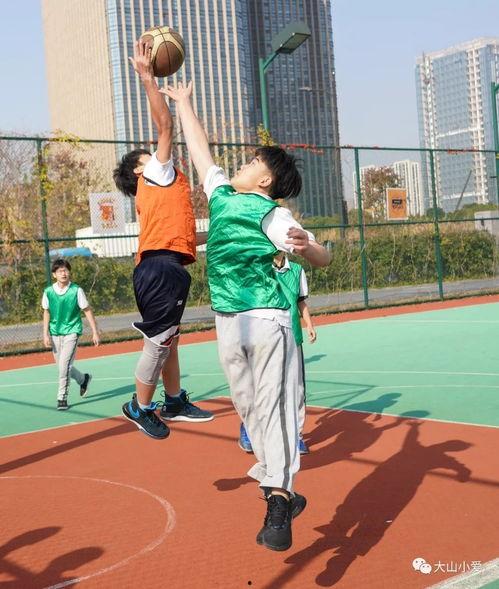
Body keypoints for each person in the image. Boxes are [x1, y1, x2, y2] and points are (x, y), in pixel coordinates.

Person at [163, 80, 331, 551]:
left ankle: (278, 498)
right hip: (227, 320)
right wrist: (184, 105)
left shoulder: (272, 216)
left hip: (268, 318)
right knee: (248, 407)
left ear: (265, 181)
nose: (246, 161)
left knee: (275, 406)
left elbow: (323, 257)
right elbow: (201, 153)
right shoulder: (220, 197)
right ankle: (280, 487)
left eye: (255, 161)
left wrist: (309, 248)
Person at [112, 41, 213, 440]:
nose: (156, 154)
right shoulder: (156, 173)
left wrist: (223, 232)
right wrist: (147, 78)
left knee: (170, 338)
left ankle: (173, 400)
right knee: (159, 341)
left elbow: (186, 236)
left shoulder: (159, 194)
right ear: (141, 169)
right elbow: (165, 127)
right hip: (159, 269)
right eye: (148, 155)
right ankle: (139, 406)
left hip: (163, 264)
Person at [238, 252, 316, 455]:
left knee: (297, 389)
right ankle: (249, 429)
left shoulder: (296, 270)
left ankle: (296, 435)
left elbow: (300, 301)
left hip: (292, 335)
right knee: (261, 386)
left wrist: (309, 324)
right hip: (265, 336)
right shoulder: (259, 268)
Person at [42, 258, 100, 410]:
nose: (64, 273)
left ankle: (62, 397)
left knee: (64, 366)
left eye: (66, 270)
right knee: (63, 366)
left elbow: (87, 310)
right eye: (60, 271)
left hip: (72, 331)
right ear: (54, 274)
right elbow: (46, 312)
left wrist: (95, 332)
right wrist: (45, 334)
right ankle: (83, 379)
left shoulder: (76, 290)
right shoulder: (48, 292)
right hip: (55, 333)